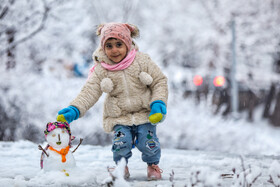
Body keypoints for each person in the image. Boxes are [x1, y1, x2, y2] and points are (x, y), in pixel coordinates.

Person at [56, 22, 168, 180]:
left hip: (145, 113)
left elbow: (159, 81)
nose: (114, 50)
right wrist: (75, 108)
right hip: (119, 116)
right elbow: (90, 91)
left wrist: (158, 103)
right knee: (121, 144)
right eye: (109, 45)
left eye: (119, 44)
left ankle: (152, 165)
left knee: (148, 143)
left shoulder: (143, 61)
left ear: (127, 44)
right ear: (103, 48)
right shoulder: (102, 69)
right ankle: (122, 166)